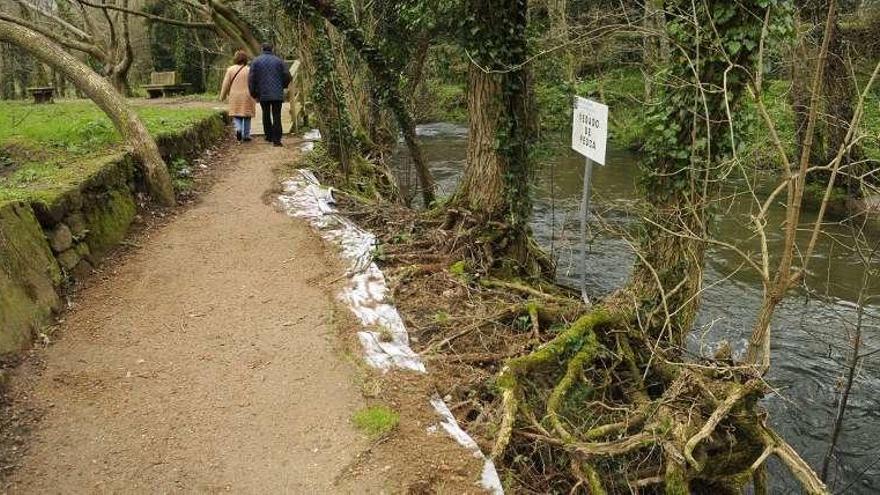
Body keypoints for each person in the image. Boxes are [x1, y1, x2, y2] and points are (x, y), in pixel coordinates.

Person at [248, 43, 292, 147]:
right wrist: (283, 85)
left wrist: (253, 92)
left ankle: (268, 136)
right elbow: (288, 75)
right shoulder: (279, 61)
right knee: (277, 115)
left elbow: (251, 78)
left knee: (266, 114)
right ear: (272, 49)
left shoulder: (256, 61)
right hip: (277, 92)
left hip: (263, 92)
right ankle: (277, 140)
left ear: (262, 49)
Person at [219, 50, 256, 143]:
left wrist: (222, 96)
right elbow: (254, 84)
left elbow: (225, 84)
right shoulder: (249, 69)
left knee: (237, 114)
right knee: (247, 115)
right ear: (245, 59)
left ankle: (238, 129)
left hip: (235, 95)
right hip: (248, 95)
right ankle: (246, 135)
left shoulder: (230, 70)